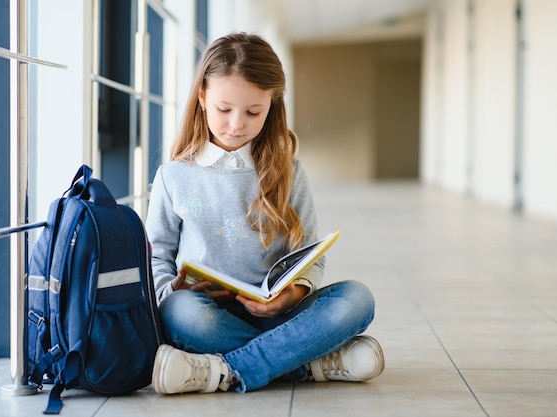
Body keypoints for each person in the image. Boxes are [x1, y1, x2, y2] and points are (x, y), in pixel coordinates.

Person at [145, 32, 384, 394]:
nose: (237, 124)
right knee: (179, 312)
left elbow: (309, 255)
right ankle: (306, 360)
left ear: (271, 108)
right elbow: (157, 256)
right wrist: (172, 289)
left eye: (253, 111)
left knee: (357, 299)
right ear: (202, 98)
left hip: (281, 316)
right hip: (209, 314)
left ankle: (226, 370)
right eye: (224, 109)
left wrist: (292, 295)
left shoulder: (289, 171)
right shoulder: (174, 176)